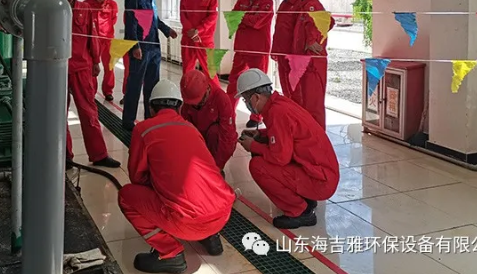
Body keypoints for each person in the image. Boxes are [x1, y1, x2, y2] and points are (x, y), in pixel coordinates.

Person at [118, 79, 236, 273]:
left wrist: (159, 182)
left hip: (188, 223)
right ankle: (211, 237)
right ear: (180, 107)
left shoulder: (144, 129)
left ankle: (169, 253)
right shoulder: (192, 129)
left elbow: (136, 177)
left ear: (151, 108)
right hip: (222, 216)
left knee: (126, 195)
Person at [235, 68, 339, 230]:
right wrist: (261, 134)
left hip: (320, 181)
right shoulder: (280, 104)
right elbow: (286, 135)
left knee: (257, 166)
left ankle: (300, 211)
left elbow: (280, 157)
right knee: (262, 151)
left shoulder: (277, 113)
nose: (247, 104)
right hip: (321, 174)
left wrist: (253, 145)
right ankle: (305, 198)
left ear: (255, 98)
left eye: (246, 99)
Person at [55, 0, 120, 169]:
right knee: (58, 114)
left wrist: (96, 62)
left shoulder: (84, 9)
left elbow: (93, 37)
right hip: (57, 69)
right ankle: (65, 156)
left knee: (89, 112)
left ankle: (99, 155)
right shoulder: (51, 10)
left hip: (81, 68)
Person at [122, 0, 178, 131]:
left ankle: (150, 117)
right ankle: (128, 121)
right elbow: (131, 23)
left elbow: (155, 20)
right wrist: (135, 46)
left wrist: (167, 30)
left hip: (153, 47)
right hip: (141, 48)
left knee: (152, 86)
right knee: (135, 85)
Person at [226, 0, 274, 128]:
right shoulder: (242, 0)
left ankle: (256, 116)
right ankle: (228, 113)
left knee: (259, 86)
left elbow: (257, 23)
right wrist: (247, 19)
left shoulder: (267, 2)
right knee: (234, 83)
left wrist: (243, 18)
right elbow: (233, 18)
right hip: (242, 49)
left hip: (258, 50)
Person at [292, 0, 335, 130]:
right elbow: (329, 21)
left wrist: (313, 40)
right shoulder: (305, 6)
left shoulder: (313, 7)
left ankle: (318, 139)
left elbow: (326, 22)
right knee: (306, 105)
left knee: (313, 106)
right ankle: (309, 136)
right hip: (305, 63)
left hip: (312, 65)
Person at [179, 70, 237, 174]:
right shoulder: (188, 101)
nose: (196, 105)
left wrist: (218, 166)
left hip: (216, 142)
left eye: (199, 101)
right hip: (200, 139)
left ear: (207, 89)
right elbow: (184, 131)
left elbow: (227, 136)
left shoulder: (221, 99)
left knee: (214, 132)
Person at [179, 0, 219, 81]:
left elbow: (213, 16)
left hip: (204, 40)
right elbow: (183, 16)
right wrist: (191, 32)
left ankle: (215, 93)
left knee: (210, 72)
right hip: (188, 39)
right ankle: (187, 92)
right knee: (187, 72)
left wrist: (198, 30)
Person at [270, 0, 302, 100]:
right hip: (281, 54)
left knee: (296, 90)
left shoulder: (300, 4)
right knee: (286, 88)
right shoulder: (284, 4)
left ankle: (296, 112)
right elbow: (279, 30)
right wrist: (275, 51)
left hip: (293, 56)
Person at [85, 0, 119, 102]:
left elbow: (113, 20)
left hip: (108, 40)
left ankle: (108, 91)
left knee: (109, 67)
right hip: (93, 41)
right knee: (92, 67)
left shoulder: (112, 4)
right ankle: (92, 91)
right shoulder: (87, 5)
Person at [120, 0, 139, 105]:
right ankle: (127, 95)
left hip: (139, 44)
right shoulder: (128, 11)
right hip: (129, 43)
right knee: (128, 71)